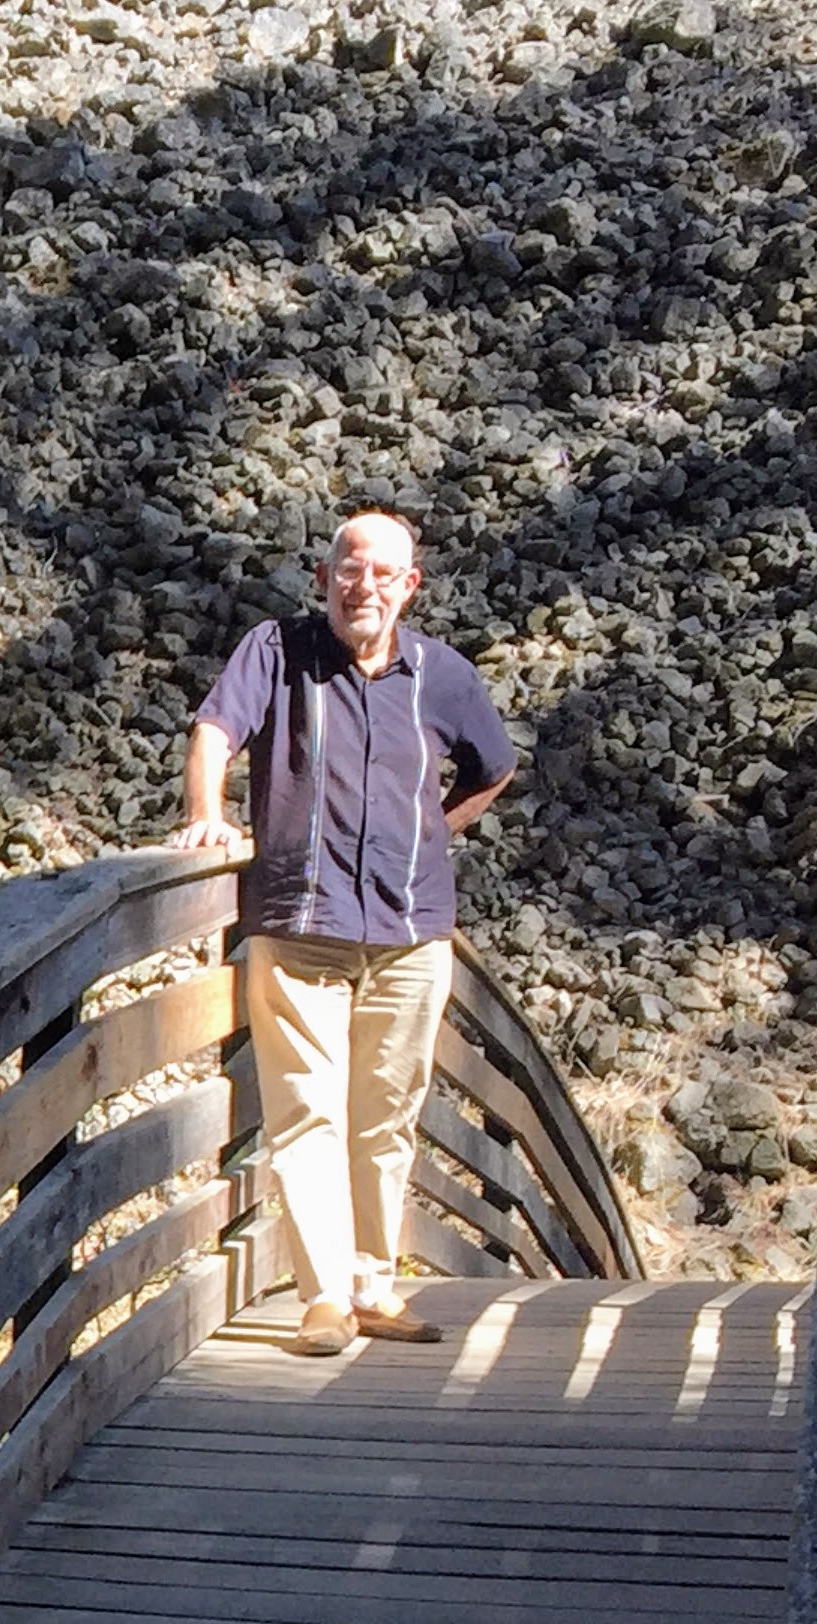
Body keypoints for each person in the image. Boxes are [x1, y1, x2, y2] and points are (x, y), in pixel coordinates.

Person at [170, 510, 518, 1356]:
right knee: (307, 1114)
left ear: (410, 586)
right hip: (302, 923)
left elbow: (496, 765)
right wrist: (206, 815)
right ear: (325, 577)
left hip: (411, 930)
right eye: (349, 570)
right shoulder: (277, 651)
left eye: (382, 574)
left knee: (387, 1115)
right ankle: (324, 1299)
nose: (364, 586)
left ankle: (373, 1285)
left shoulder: (442, 675)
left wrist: (432, 828)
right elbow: (217, 728)